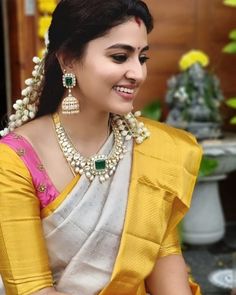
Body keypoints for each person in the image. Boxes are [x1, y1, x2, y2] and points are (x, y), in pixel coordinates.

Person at [0, 0, 202, 294]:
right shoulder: (16, 159)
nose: (138, 73)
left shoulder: (154, 150)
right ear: (68, 59)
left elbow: (163, 254)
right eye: (120, 57)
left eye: (142, 58)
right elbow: (31, 289)